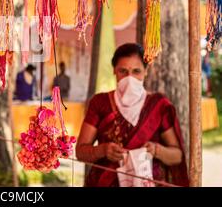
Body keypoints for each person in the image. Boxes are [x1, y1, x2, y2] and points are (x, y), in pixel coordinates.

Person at [76, 43, 189, 187]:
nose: (129, 78)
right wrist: (102, 150)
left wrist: (156, 150)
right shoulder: (100, 103)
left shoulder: (159, 105)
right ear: (114, 71)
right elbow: (80, 152)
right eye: (123, 71)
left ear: (145, 71)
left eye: (136, 71)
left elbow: (177, 156)